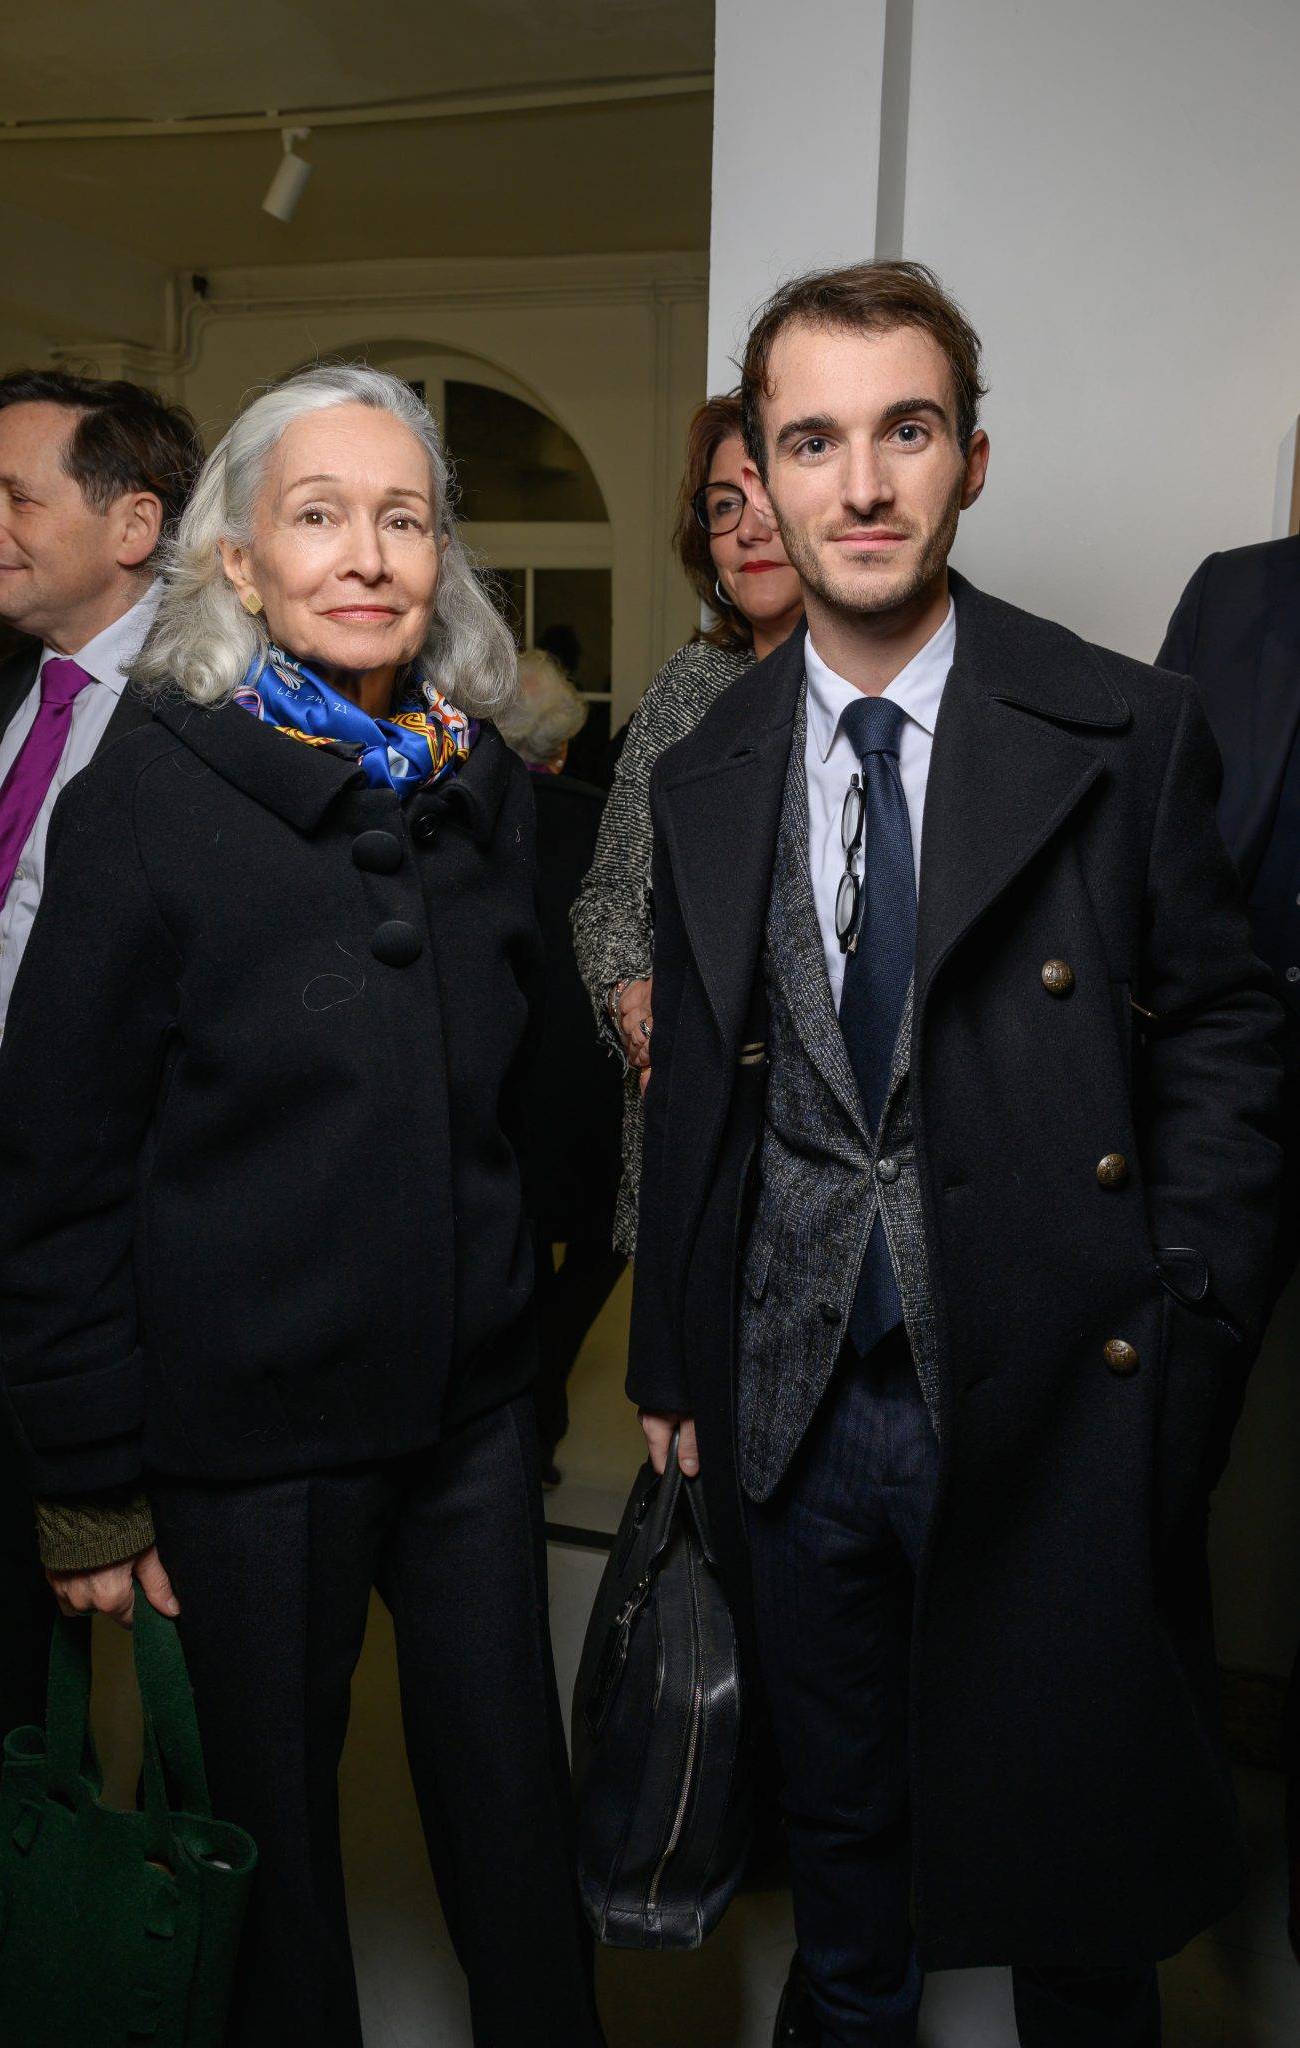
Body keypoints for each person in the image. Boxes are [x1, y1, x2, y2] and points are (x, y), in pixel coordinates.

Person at [626, 260, 1284, 2047]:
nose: (860, 482)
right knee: (843, 1866)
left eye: (903, 429)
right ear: (754, 472)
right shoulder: (710, 763)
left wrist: (1195, 1323)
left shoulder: (1119, 724)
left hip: (1061, 1383)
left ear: (970, 459)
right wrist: (671, 1350)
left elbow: (1228, 1031)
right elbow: (701, 1079)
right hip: (796, 1398)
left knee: (1080, 1882)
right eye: (812, 438)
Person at [0, 364, 604, 2048]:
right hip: (247, 1442)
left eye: (403, 516)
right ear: (238, 562)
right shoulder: (155, 792)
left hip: (467, 1419)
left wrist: (537, 1342)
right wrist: (91, 1484)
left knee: (512, 1813)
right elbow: (52, 1166)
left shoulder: (478, 787)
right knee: (272, 1858)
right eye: (318, 514)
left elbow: (529, 1102)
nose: (367, 552)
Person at [0, 369, 202, 1998]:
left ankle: (187, 1895)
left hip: (133, 1257)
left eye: (14, 492)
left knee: (176, 1613)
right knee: (2, 1580)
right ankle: (16, 1847)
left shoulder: (221, 714)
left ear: (133, 522)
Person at [1157, 534, 1300, 1962]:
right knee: (1162, 1453)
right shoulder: (1238, 591)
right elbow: (1159, 842)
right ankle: (1158, 1841)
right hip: (1234, 1093)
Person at [572, 391, 803, 1256]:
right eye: (722, 506)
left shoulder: (891, 692)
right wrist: (632, 998)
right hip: (697, 1145)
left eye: (769, 493)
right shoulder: (689, 689)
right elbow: (606, 897)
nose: (747, 528)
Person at [498, 651, 625, 1484]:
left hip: (509, 1078)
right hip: (592, 1078)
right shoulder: (607, 820)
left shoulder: (467, 819)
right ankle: (540, 1393)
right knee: (598, 1245)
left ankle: (525, 1408)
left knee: (515, 1244)